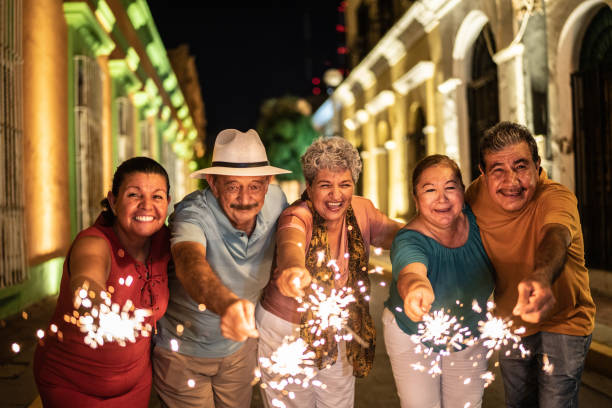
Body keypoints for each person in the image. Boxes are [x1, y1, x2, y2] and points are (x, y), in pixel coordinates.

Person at [258, 136, 402, 408]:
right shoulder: (297, 215)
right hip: (284, 329)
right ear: (309, 188)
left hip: (336, 328)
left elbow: (404, 237)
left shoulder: (362, 210)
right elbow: (291, 241)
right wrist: (293, 268)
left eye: (345, 185)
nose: (336, 195)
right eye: (326, 185)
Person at [152, 128, 290, 408]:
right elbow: (191, 264)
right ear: (213, 184)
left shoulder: (277, 201)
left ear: (268, 182)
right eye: (232, 186)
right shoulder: (192, 213)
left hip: (239, 353)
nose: (245, 198)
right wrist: (227, 305)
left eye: (255, 185)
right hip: (183, 356)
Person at [466, 121, 596, 408]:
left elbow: (557, 235)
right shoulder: (473, 198)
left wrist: (541, 277)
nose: (511, 181)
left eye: (521, 166)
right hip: (511, 321)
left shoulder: (556, 197)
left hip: (565, 320)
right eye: (497, 170)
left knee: (555, 403)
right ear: (483, 173)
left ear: (537, 166)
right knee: (518, 403)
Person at [33, 157, 172, 407]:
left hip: (136, 386)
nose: (146, 206)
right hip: (72, 386)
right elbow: (87, 278)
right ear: (113, 201)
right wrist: (96, 306)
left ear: (168, 203)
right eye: (133, 195)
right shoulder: (94, 242)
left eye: (158, 196)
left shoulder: (167, 242)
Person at [383, 154, 495, 408]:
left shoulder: (483, 223)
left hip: (469, 332)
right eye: (430, 189)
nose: (442, 198)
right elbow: (411, 272)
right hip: (411, 334)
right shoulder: (409, 239)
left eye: (450, 187)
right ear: (416, 198)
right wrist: (415, 288)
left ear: (463, 192)